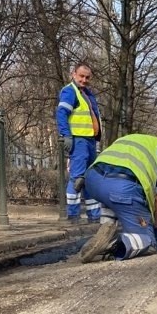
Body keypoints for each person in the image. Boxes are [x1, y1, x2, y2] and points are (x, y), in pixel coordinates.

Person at [79, 131, 157, 263]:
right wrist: (155, 225)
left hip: (92, 180)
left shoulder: (131, 139)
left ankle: (107, 227)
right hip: (122, 187)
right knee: (149, 243)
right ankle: (113, 245)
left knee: (113, 200)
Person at [55, 62, 103, 223]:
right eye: (81, 76)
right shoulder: (70, 91)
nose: (84, 80)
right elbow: (61, 113)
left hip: (89, 140)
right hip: (79, 140)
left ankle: (94, 216)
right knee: (77, 178)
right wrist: (66, 135)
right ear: (73, 74)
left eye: (87, 77)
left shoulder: (87, 94)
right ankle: (73, 215)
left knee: (90, 179)